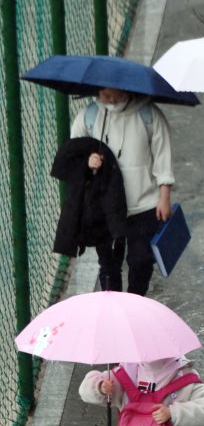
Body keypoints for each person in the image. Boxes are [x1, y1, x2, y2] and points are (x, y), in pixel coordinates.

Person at [70, 87, 174, 295]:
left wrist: (164, 197)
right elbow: (72, 155)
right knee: (108, 265)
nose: (112, 100)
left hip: (144, 204)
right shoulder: (88, 117)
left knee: (141, 261)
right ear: (97, 93)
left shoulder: (149, 115)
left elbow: (163, 157)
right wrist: (87, 162)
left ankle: (135, 302)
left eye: (117, 95)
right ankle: (113, 309)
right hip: (104, 206)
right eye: (106, 96)